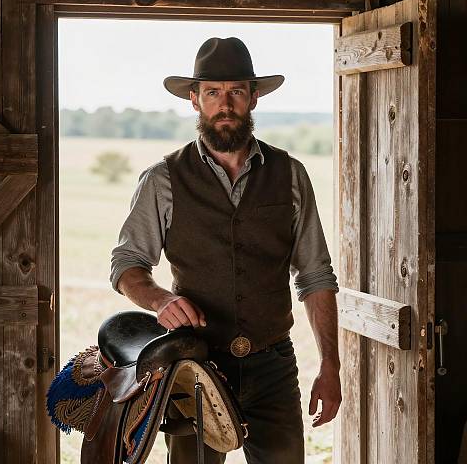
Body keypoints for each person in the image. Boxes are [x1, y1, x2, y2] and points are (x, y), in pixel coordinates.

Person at [110, 36, 342, 463]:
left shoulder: (290, 175)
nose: (225, 103)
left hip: (273, 365)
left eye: (236, 91)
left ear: (253, 98)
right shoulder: (162, 179)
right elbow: (127, 264)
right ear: (194, 101)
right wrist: (160, 299)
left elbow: (315, 276)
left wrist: (331, 366)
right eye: (213, 93)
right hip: (192, 365)